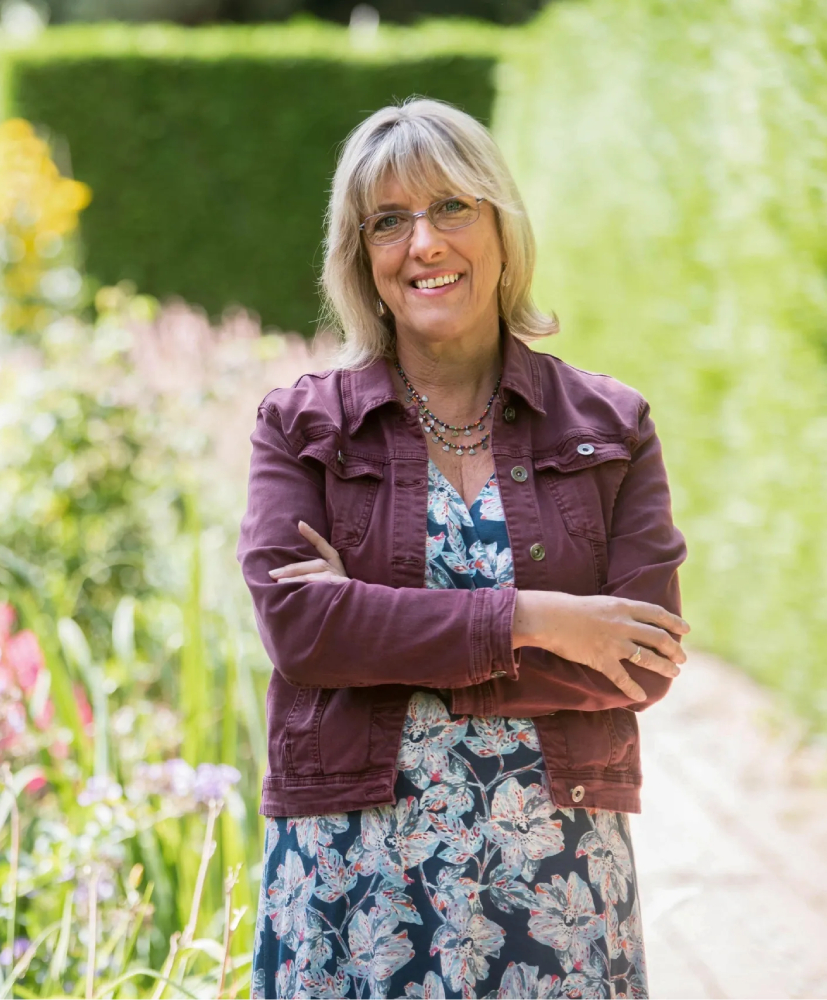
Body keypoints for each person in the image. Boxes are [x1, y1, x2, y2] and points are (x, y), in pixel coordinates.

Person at [237, 98, 688, 1000]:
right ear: (362, 258)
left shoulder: (611, 425)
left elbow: (640, 660)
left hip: (554, 875)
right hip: (352, 876)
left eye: (451, 208)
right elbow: (301, 633)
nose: (424, 244)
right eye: (389, 221)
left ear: (501, 227)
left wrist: (376, 632)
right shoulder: (303, 426)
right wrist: (543, 620)